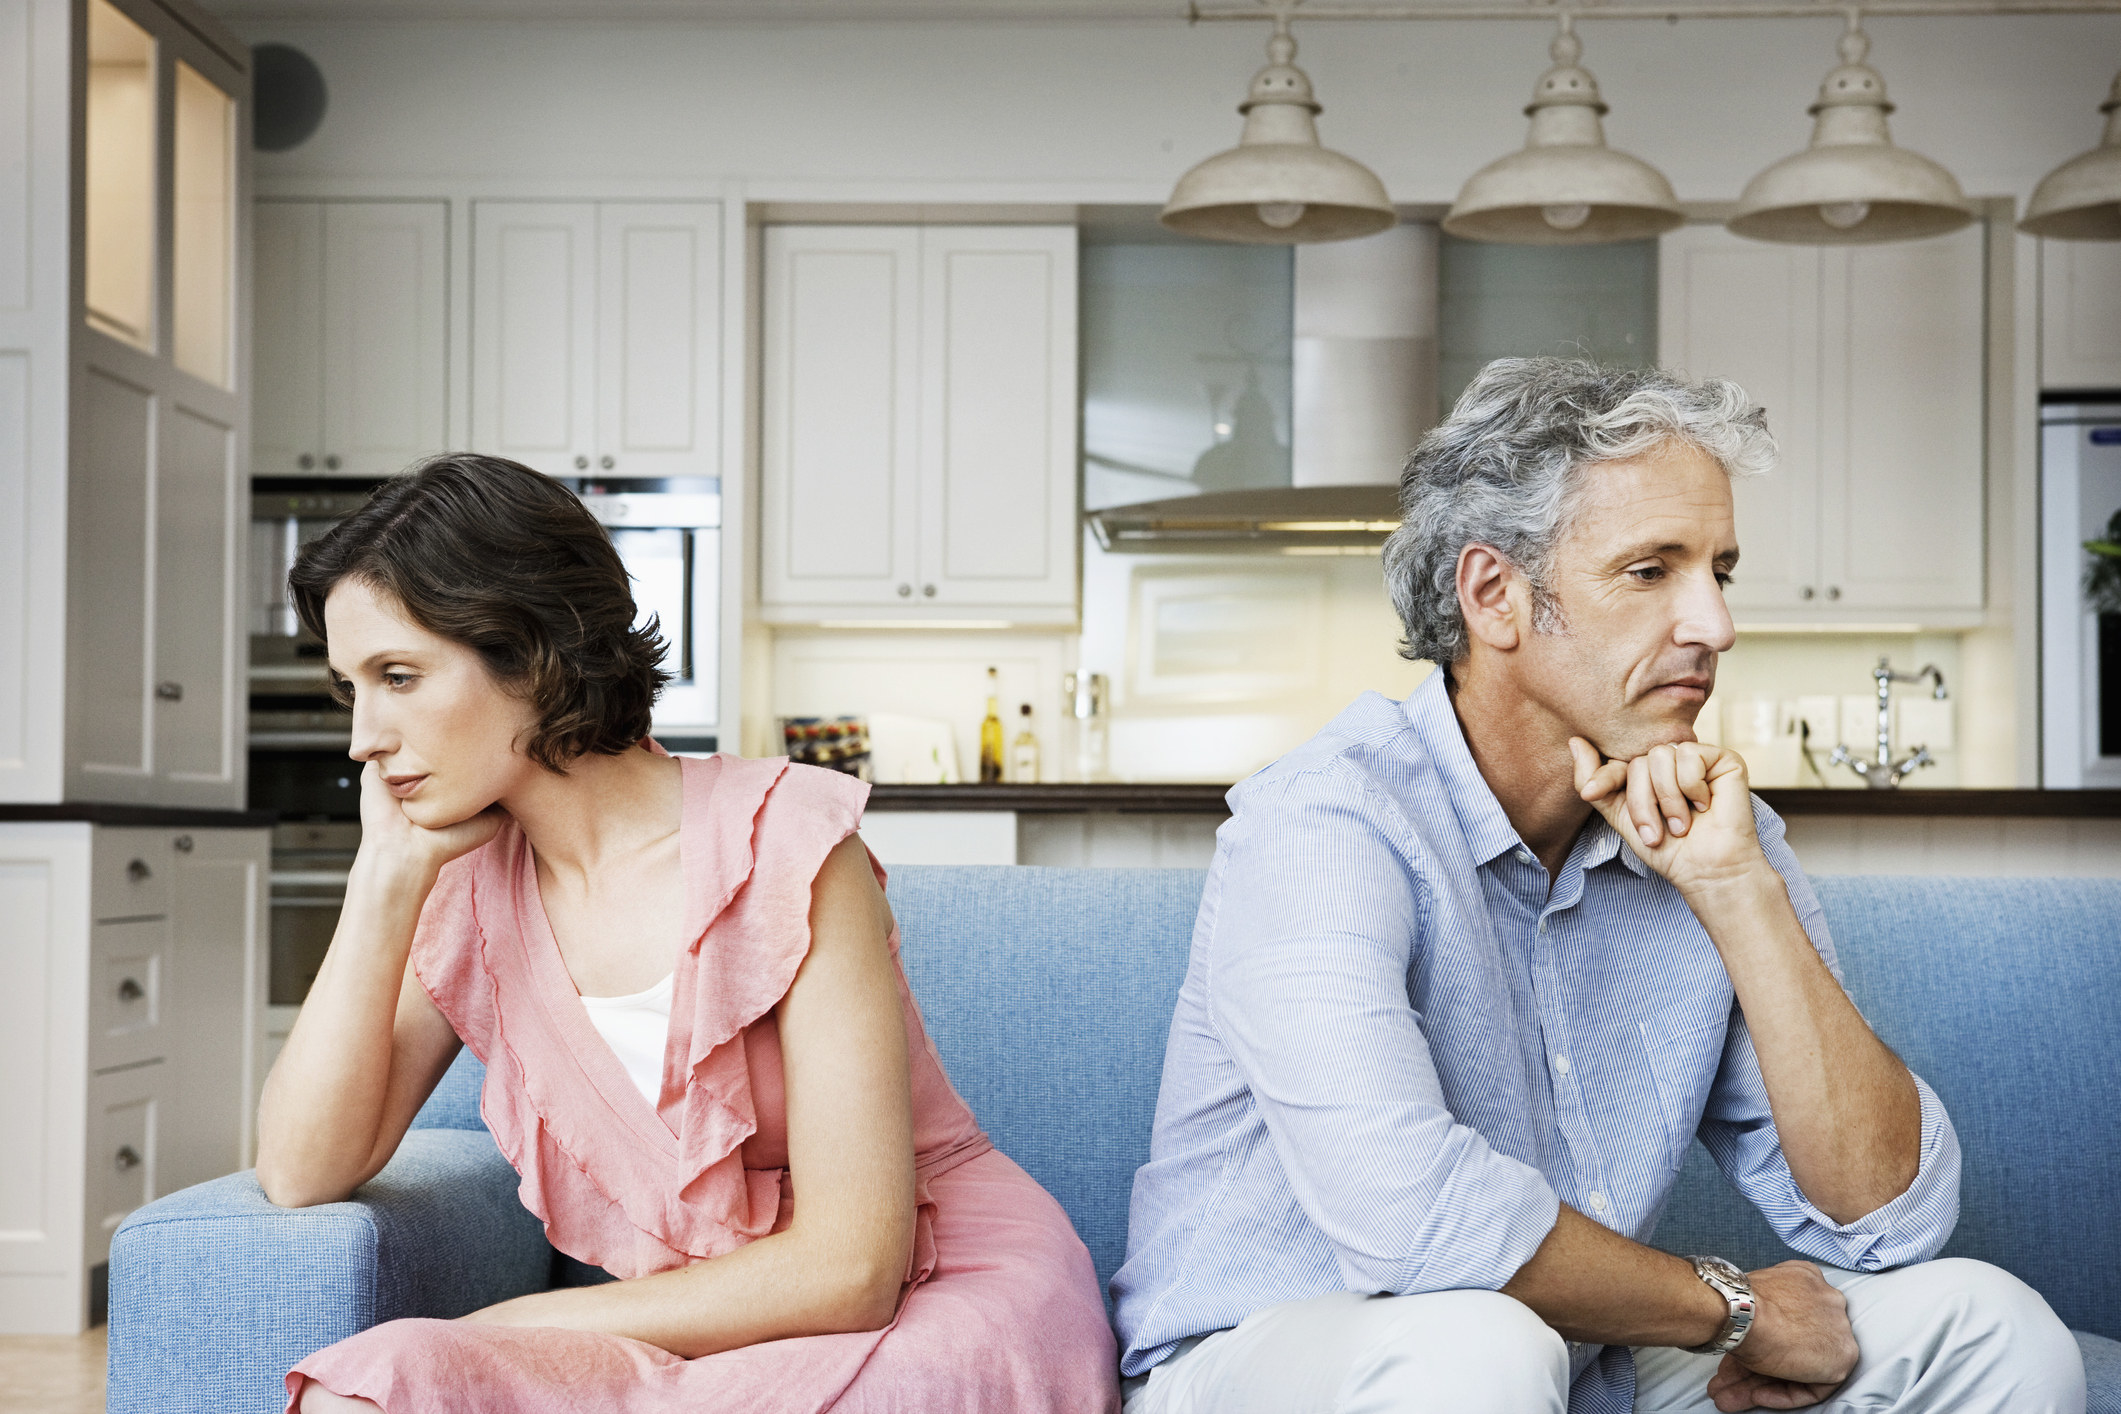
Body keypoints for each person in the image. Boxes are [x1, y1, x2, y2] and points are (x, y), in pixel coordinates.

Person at [1110, 359, 2086, 1414]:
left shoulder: (1712, 830)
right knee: (1476, 1350)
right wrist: (1732, 1309)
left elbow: (1892, 1219)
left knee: (1995, 1329)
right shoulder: (1324, 820)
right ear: (1494, 595)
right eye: (1651, 571)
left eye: (1721, 569)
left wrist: (1736, 888)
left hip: (1574, 1356)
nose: (1715, 625)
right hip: (1274, 1361)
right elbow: (1411, 1216)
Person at [257, 454, 1118, 1414]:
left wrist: (506, 1327)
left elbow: (852, 1269)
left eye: (399, 677)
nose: (361, 737)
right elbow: (300, 1171)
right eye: (350, 689)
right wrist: (382, 884)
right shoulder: (463, 898)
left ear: (531, 651)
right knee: (370, 1387)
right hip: (710, 1332)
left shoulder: (784, 842)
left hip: (935, 1297)